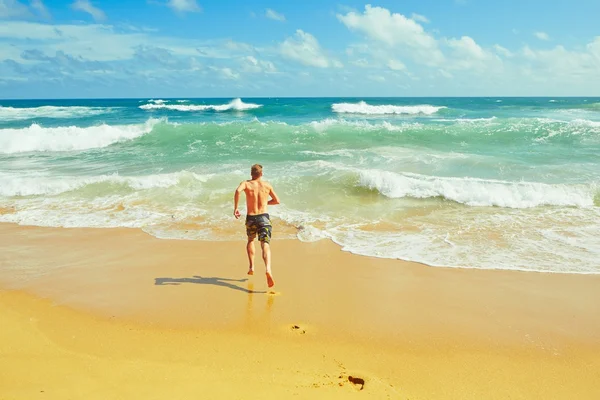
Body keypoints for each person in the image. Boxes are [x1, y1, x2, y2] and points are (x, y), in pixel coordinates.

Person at [234, 164, 280, 288]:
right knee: (265, 244)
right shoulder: (267, 185)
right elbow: (277, 201)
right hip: (264, 217)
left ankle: (252, 266)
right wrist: (265, 202)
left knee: (250, 240)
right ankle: (268, 269)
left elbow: (238, 191)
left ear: (251, 174)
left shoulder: (246, 184)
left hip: (251, 217)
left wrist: (236, 208)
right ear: (261, 174)